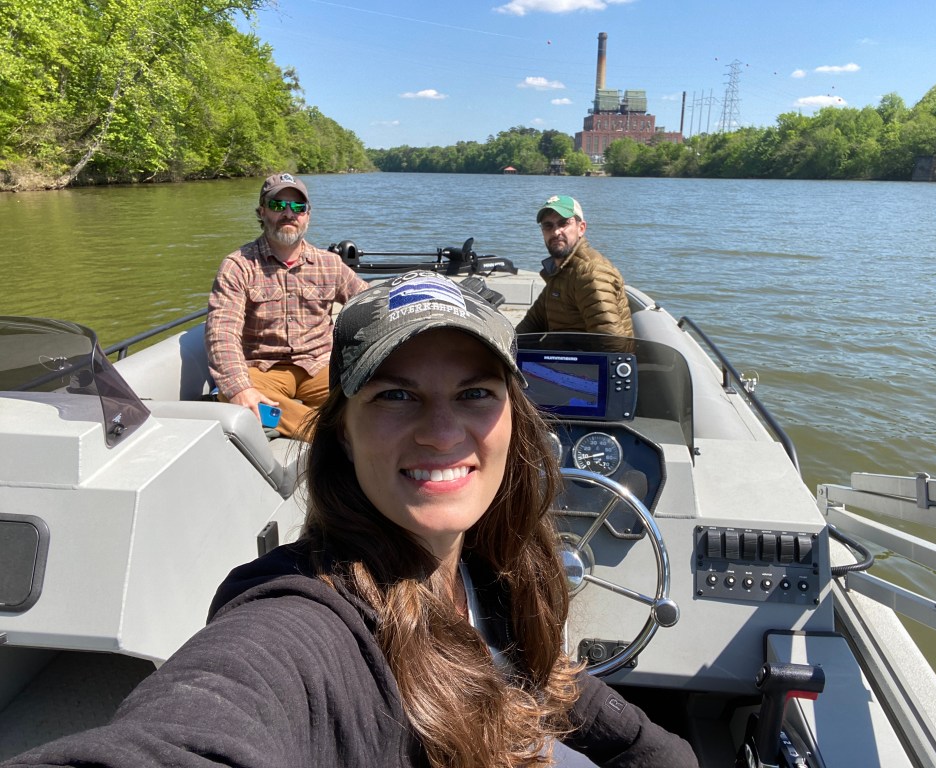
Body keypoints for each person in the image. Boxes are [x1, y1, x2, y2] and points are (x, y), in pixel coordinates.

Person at [3, 272, 698, 768]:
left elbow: (558, 685)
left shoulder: (495, 568)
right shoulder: (304, 625)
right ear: (341, 434)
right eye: (397, 395)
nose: (442, 431)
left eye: (475, 394)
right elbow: (208, 714)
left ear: (515, 424)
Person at [205, 172, 367, 438]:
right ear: (262, 212)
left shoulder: (329, 264)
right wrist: (240, 389)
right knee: (232, 392)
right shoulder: (238, 266)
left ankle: (321, 428)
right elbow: (221, 333)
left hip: (320, 366)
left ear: (307, 215)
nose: (289, 213)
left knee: (370, 390)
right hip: (262, 369)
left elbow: (368, 305)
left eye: (298, 207)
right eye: (278, 205)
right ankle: (332, 434)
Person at [516, 195, 634, 338]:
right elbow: (531, 324)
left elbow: (612, 343)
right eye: (548, 225)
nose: (555, 232)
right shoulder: (560, 271)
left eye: (563, 223)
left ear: (581, 228)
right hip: (563, 356)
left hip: (586, 359)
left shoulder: (590, 273)